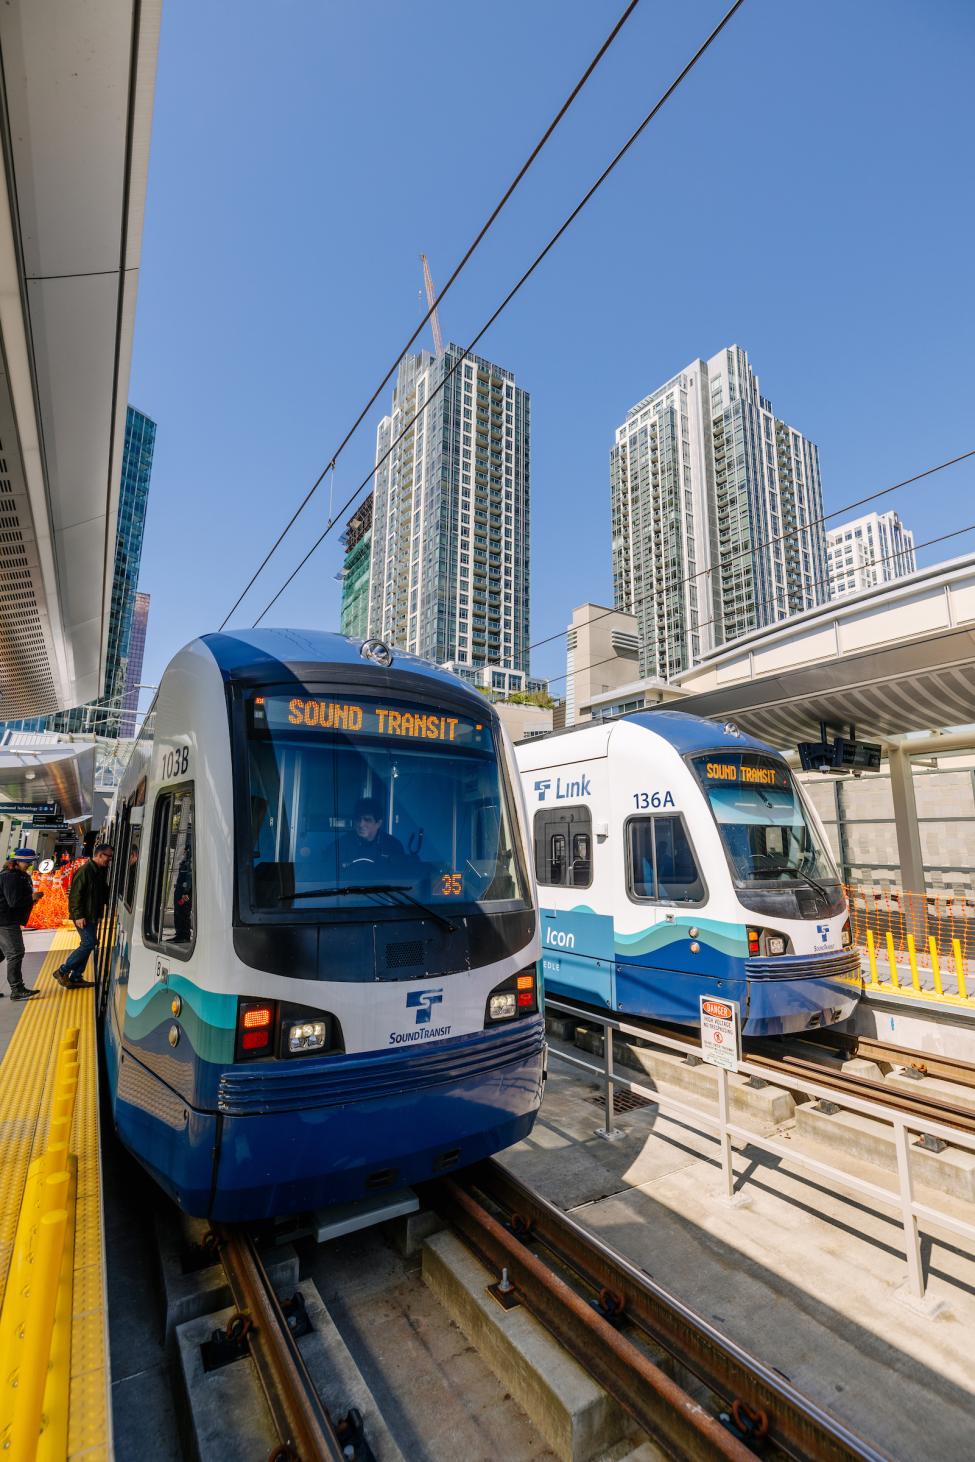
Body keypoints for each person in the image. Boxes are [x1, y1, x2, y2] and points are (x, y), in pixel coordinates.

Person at [54, 843, 113, 989]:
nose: (110, 859)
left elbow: (100, 894)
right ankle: (63, 971)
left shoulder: (99, 871)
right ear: (99, 855)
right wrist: (79, 915)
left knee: (89, 943)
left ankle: (76, 977)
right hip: (83, 915)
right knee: (89, 943)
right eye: (108, 856)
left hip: (91, 915)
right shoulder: (85, 871)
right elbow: (75, 895)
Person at [0, 848, 44, 1000]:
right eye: (27, 862)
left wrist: (32, 898)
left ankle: (16, 988)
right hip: (5, 920)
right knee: (16, 952)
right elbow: (14, 902)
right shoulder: (10, 877)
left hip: (6, 918)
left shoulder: (18, 875)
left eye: (30, 862)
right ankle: (17, 989)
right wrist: (32, 897)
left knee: (1, 954)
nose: (29, 865)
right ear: (17, 861)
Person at [333, 797, 404, 874]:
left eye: (367, 820)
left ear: (378, 823)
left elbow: (400, 876)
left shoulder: (393, 845)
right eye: (358, 819)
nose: (361, 824)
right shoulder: (340, 845)